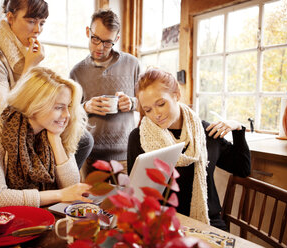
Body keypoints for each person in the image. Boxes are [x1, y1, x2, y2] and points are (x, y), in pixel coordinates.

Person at [0, 0, 93, 168]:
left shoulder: (27, 50)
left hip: (27, 127)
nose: (37, 30)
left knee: (82, 138)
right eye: (31, 21)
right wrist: (30, 66)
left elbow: (37, 99)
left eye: (42, 23)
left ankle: (56, 186)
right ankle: (53, 188)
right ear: (10, 17)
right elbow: (6, 110)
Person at [127, 68, 250, 230]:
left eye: (161, 104)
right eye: (148, 110)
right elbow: (136, 194)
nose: (156, 114)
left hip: (208, 222)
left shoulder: (206, 132)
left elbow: (242, 168)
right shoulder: (138, 137)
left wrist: (238, 128)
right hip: (163, 223)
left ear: (176, 94)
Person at [0, 67, 91, 211]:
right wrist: (59, 195)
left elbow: (71, 187)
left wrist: (55, 138)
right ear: (34, 106)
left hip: (40, 218)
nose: (67, 115)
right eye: (59, 107)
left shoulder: (54, 128)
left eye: (68, 107)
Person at [70, 9, 140, 176]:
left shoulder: (132, 64)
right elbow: (68, 113)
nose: (100, 47)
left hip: (125, 156)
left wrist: (131, 103)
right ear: (88, 32)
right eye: (95, 39)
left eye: (108, 42)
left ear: (116, 39)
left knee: (125, 202)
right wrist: (86, 106)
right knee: (91, 203)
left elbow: (145, 104)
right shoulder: (77, 72)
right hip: (91, 157)